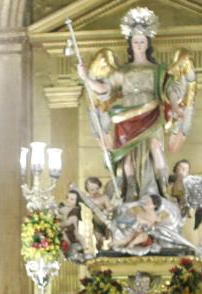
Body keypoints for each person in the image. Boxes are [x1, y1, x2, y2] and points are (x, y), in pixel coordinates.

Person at [76, 7, 195, 200]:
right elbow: (104, 89)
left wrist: (174, 106)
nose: (139, 45)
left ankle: (162, 188)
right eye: (135, 42)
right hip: (126, 116)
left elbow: (172, 89)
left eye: (142, 41)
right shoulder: (122, 71)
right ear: (130, 45)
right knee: (127, 155)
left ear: (148, 44)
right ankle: (130, 190)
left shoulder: (158, 69)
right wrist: (86, 78)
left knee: (155, 147)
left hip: (152, 112)